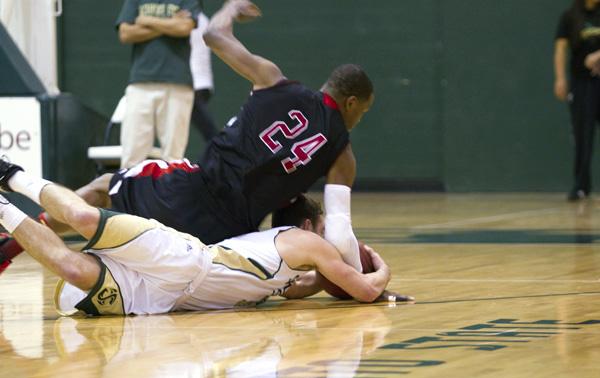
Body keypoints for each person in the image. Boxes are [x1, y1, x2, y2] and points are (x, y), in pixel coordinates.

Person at [0, 0, 372, 276]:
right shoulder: (343, 155)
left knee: (102, 187)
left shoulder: (274, 80)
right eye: (363, 111)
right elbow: (339, 229)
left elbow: (211, 34)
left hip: (193, 191)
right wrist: (360, 277)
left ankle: (12, 243)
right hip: (232, 236)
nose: (359, 118)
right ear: (351, 102)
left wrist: (229, 9)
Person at [0, 158, 410, 315]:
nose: (331, 243)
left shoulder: (286, 265)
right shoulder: (307, 243)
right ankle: (12, 174)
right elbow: (364, 291)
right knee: (83, 216)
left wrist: (324, 282)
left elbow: (297, 287)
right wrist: (384, 273)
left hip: (165, 298)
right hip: (180, 259)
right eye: (325, 232)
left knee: (70, 268)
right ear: (308, 228)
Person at [116, 0, 201, 168]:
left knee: (174, 158)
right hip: (140, 82)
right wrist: (170, 23)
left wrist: (146, 20)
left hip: (178, 82)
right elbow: (125, 33)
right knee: (132, 156)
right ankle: (129, 194)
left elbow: (184, 28)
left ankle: (171, 194)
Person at [554, 0, 600, 201]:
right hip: (581, 83)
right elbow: (561, 48)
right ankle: (581, 185)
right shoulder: (570, 16)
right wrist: (560, 78)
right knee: (583, 134)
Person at [190, 9, 220, 147]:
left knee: (209, 132)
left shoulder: (192, 19)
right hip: (201, 84)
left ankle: (222, 153)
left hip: (193, 83)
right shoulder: (203, 18)